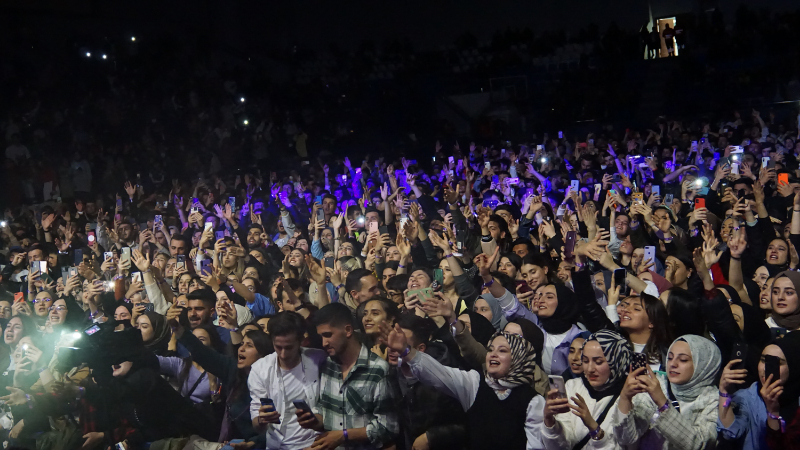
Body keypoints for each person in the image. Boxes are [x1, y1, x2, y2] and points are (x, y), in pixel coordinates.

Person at [387, 321, 543, 450]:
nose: (493, 354)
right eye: (490, 349)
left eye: (502, 350)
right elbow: (438, 374)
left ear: (518, 358)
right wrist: (407, 352)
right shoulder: (475, 382)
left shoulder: (533, 401)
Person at [297, 303, 398, 449]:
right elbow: (324, 411)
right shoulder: (327, 366)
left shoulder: (378, 370)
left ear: (348, 330)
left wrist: (343, 435)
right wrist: (313, 420)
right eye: (321, 337)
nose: (324, 343)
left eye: (328, 335)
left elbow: (388, 427)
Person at [613, 335, 721, 450]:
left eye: (683, 360)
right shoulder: (658, 384)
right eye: (670, 358)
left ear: (703, 365)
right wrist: (625, 397)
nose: (673, 364)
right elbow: (626, 439)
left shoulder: (714, 399)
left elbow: (699, 444)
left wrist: (662, 403)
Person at [249, 311, 327, 450]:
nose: (283, 354)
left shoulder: (318, 360)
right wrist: (261, 419)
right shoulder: (260, 369)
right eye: (278, 347)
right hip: (275, 444)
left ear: (301, 341)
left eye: (289, 347)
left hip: (312, 444)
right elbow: (256, 421)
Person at [541, 329, 631, 450]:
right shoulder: (573, 386)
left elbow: (627, 445)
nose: (589, 369)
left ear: (617, 362)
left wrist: (594, 428)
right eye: (585, 361)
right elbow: (560, 446)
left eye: (598, 362)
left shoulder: (630, 397)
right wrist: (549, 421)